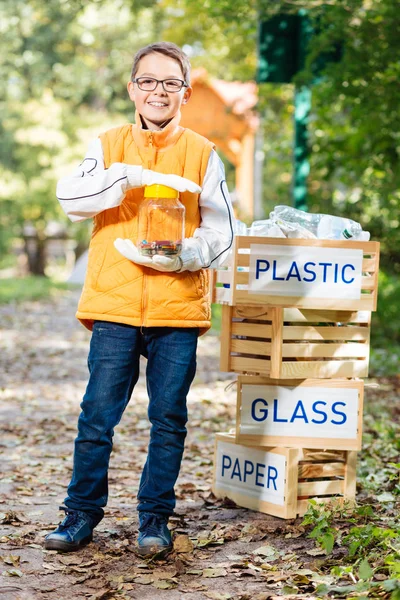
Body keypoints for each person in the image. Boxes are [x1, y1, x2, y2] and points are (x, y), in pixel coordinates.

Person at [44, 41, 234, 555]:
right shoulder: (106, 144)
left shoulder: (202, 152)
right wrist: (127, 176)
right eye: (147, 81)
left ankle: (154, 521)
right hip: (115, 305)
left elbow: (223, 230)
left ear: (185, 93)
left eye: (169, 82)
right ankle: (79, 516)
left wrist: (187, 254)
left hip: (177, 305)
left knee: (168, 417)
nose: (157, 91)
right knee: (97, 416)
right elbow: (72, 201)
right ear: (132, 88)